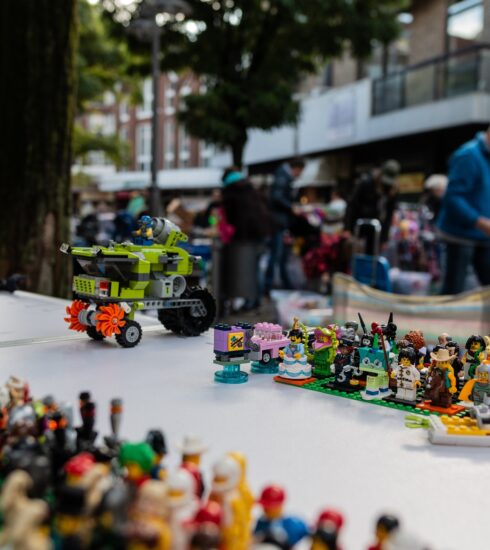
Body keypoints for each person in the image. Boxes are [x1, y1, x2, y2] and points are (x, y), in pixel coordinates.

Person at [437, 129, 490, 294]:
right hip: (460, 235)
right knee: (454, 290)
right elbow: (453, 197)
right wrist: (478, 221)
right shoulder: (468, 155)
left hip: (483, 236)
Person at [220, 167, 271, 310]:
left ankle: (250, 301)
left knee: (247, 269)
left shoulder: (231, 192)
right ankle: (256, 300)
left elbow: (232, 218)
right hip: (261, 232)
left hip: (246, 237)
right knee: (256, 267)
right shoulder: (251, 188)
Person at [265, 158, 305, 294]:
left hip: (278, 221)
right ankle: (270, 286)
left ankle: (280, 283)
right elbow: (277, 197)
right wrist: (291, 207)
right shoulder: (283, 177)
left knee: (279, 254)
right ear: (297, 168)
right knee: (277, 253)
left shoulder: (281, 175)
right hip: (278, 222)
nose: (299, 175)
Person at [344, 160, 401, 253]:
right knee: (353, 252)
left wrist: (384, 239)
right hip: (358, 224)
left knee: (372, 254)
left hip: (376, 228)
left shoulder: (392, 190)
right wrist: (347, 228)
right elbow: (351, 205)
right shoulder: (366, 182)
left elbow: (389, 215)